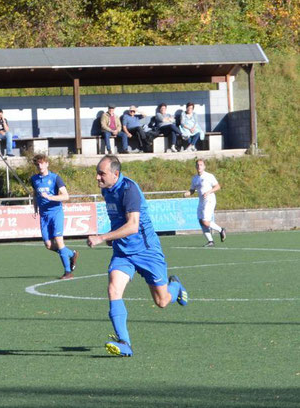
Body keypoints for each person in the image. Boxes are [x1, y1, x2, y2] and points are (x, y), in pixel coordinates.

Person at [87, 155, 188, 357]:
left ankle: (175, 286)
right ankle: (124, 343)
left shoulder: (129, 189)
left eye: (101, 174)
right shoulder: (106, 190)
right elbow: (118, 219)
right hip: (123, 253)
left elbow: (133, 226)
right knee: (113, 289)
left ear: (115, 174)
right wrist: (112, 237)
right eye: (97, 173)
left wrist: (102, 237)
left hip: (146, 251)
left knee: (162, 301)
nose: (97, 178)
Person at [31, 153, 78, 279]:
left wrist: (50, 197)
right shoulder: (34, 179)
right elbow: (35, 194)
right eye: (38, 164)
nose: (40, 165)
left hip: (55, 213)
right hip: (43, 215)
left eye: (42, 163)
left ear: (47, 163)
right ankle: (71, 254)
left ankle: (68, 272)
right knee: (48, 245)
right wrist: (35, 208)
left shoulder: (55, 178)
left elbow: (66, 196)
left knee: (58, 241)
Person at [184, 159, 226, 247]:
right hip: (201, 201)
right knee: (200, 220)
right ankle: (210, 241)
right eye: (198, 165)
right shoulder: (195, 178)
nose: (199, 166)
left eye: (201, 165)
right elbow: (192, 190)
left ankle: (221, 230)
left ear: (204, 166)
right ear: (196, 167)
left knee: (205, 221)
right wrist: (188, 193)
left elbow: (217, 186)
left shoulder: (209, 176)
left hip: (209, 200)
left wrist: (209, 192)